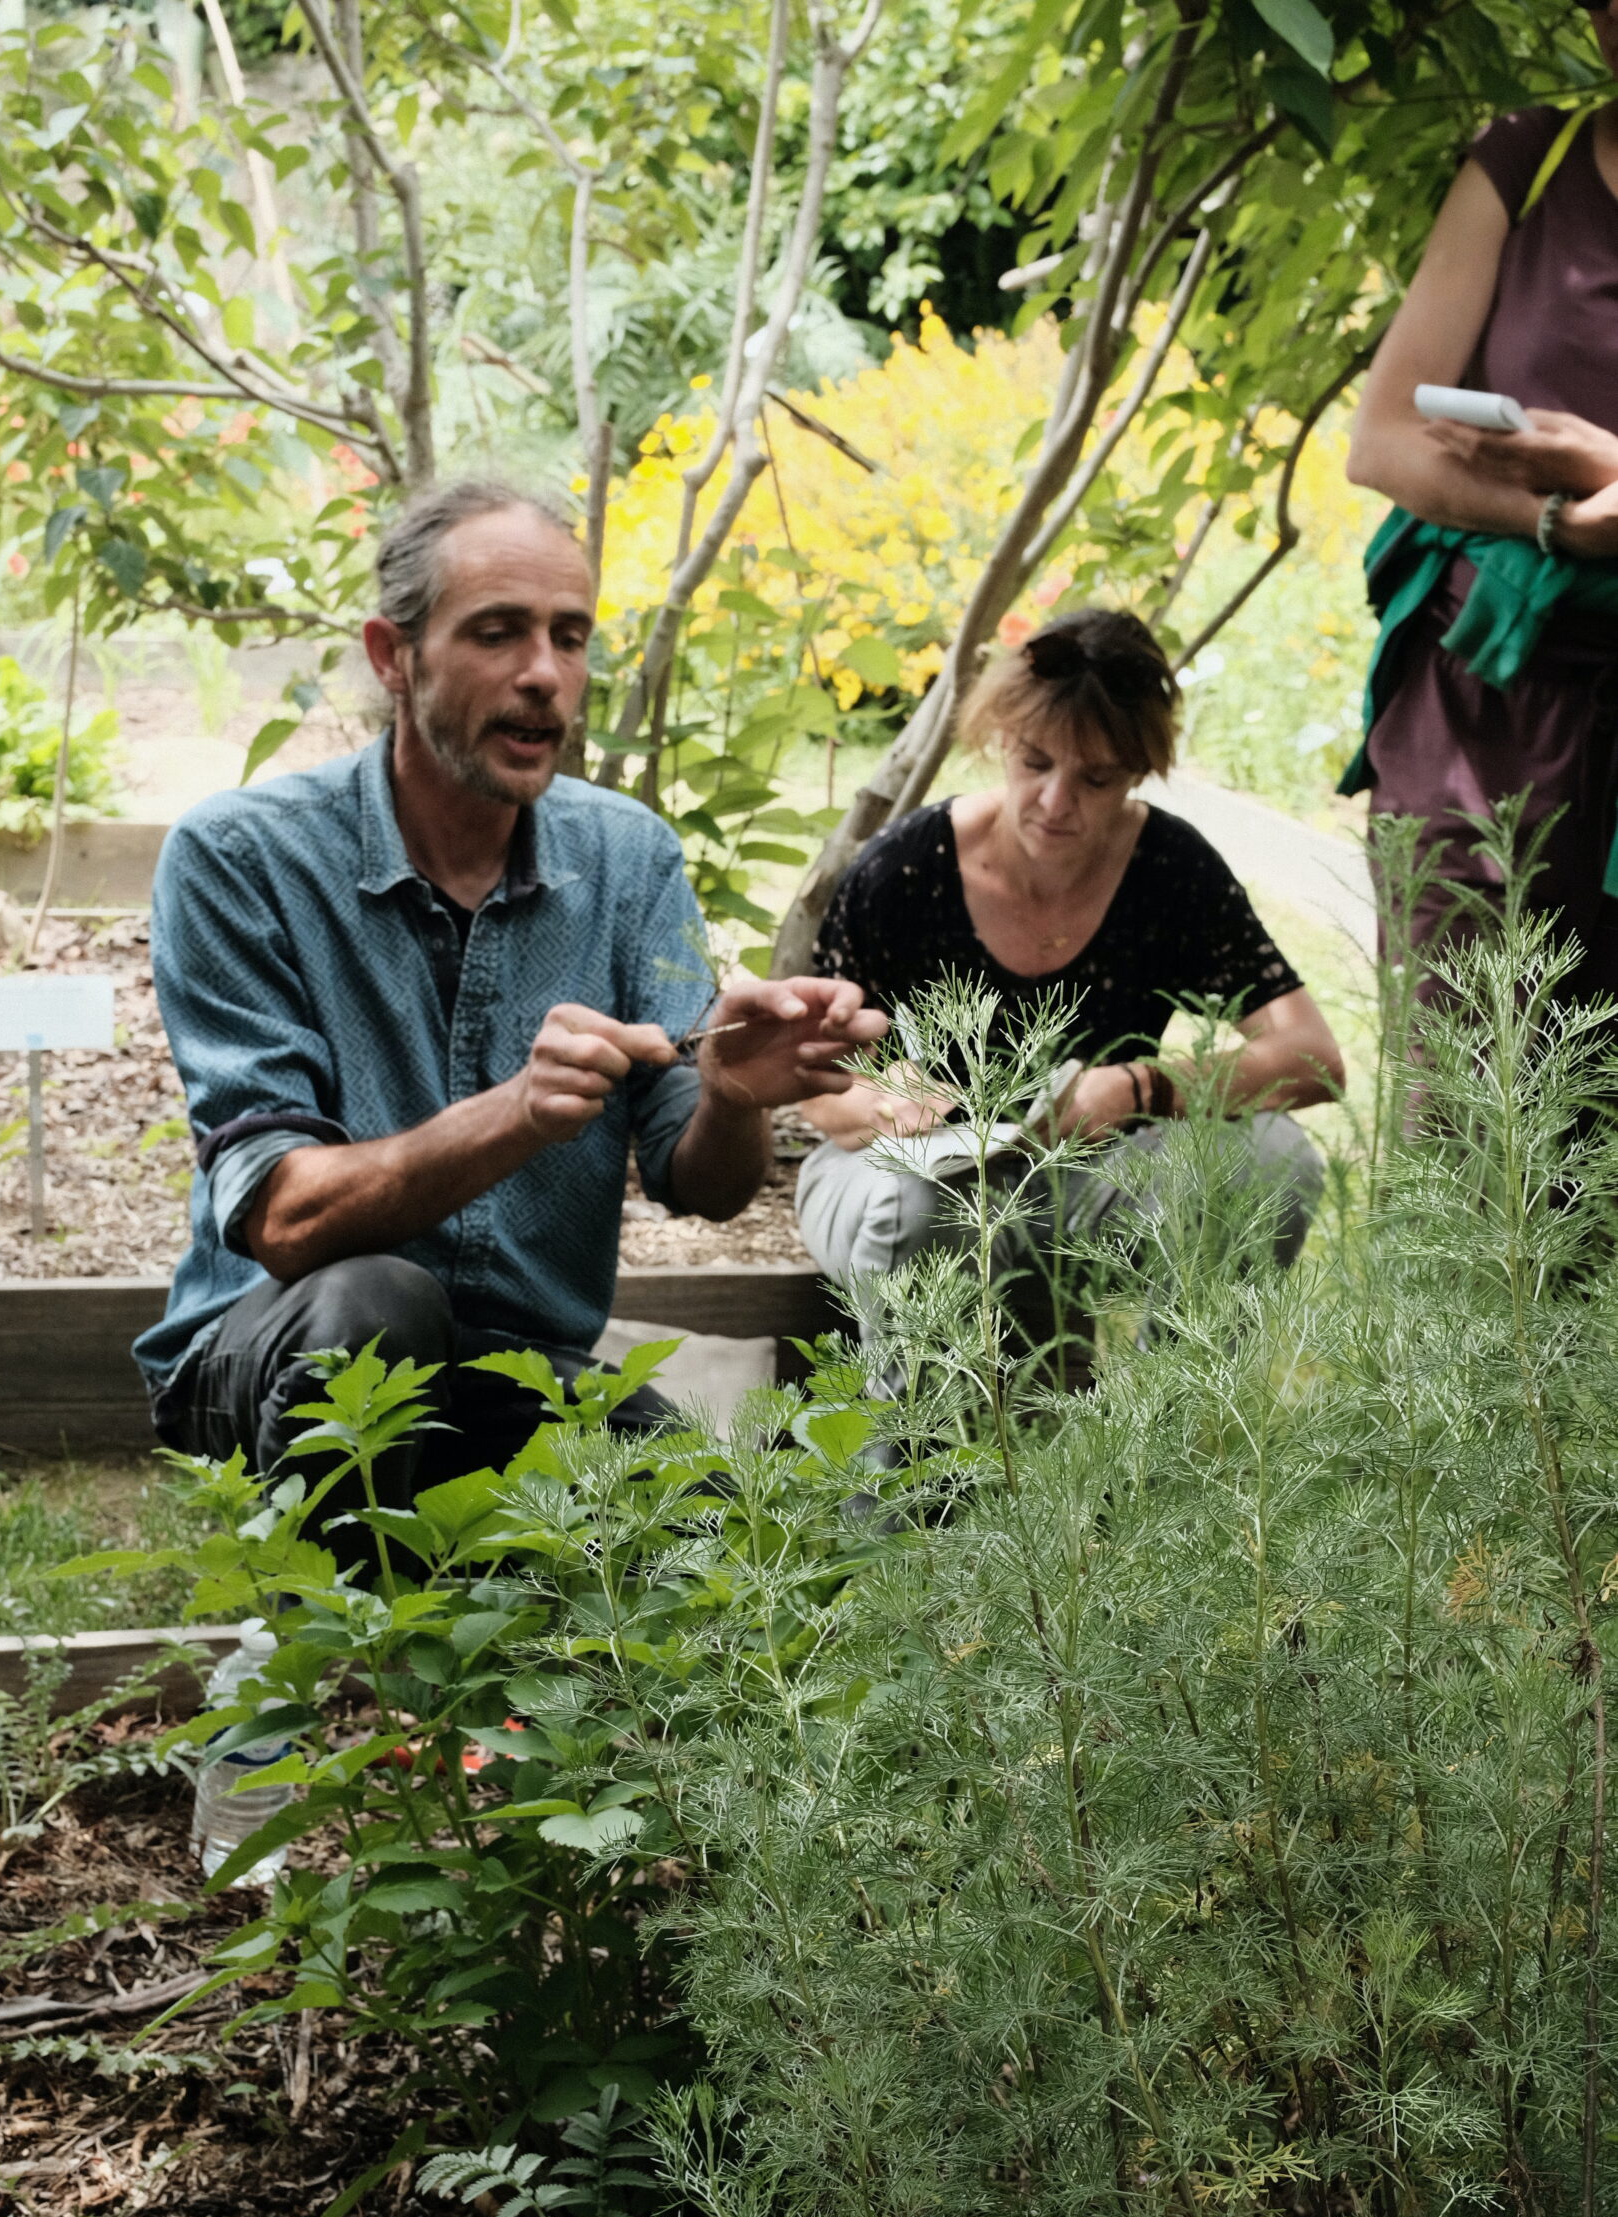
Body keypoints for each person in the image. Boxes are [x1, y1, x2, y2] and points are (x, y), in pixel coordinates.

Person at [134, 480, 884, 1510]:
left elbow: (704, 1185)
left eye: (569, 638)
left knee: (734, 1538)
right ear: (393, 657)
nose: (543, 674)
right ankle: (333, 1608)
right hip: (273, 1352)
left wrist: (732, 1098)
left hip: (523, 1376)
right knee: (376, 1304)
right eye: (497, 633)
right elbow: (284, 1219)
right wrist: (517, 1112)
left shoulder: (628, 859)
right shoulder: (241, 859)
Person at [794, 610, 1344, 1374]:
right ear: (1000, 741)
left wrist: (1138, 1087)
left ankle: (1169, 1428)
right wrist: (889, 1103)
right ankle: (919, 1448)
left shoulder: (1169, 870)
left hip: (1093, 1178)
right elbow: (811, 1085)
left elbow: (1313, 1058)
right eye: (1034, 763)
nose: (1055, 802)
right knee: (924, 1206)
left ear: (1138, 771)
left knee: (1272, 1164)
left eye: (1095, 779)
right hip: (901, 1179)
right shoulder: (908, 869)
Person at [1343, 14, 1618, 1005]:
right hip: (1476, 709)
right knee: (1460, 1075)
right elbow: (1381, 439)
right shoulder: (1529, 161)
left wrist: (1603, 464)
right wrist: (1552, 517)